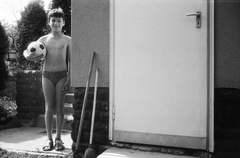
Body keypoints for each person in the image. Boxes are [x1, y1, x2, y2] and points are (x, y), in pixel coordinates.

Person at [25, 8, 71, 151]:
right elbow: (28, 54)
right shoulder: (42, 40)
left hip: (62, 75)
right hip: (47, 75)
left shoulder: (68, 40)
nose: (56, 23)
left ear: (63, 22)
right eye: (53, 20)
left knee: (60, 107)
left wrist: (69, 77)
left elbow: (71, 61)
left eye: (59, 20)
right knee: (49, 106)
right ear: (49, 23)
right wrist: (31, 57)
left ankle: (58, 139)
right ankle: (49, 139)